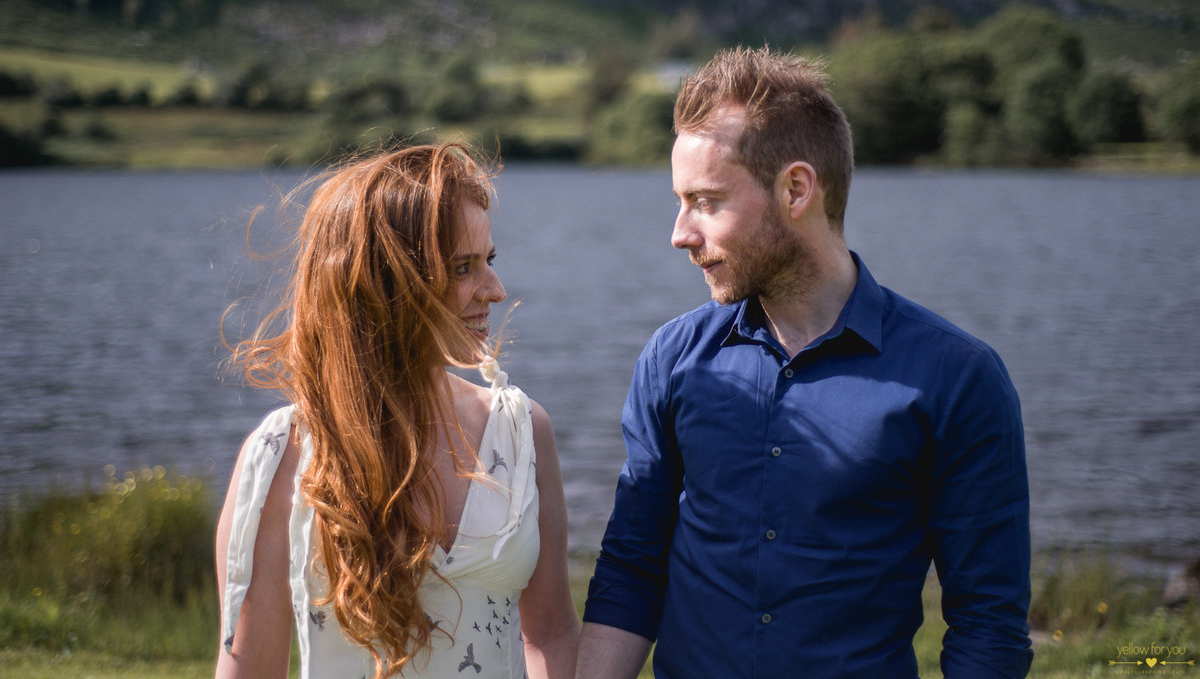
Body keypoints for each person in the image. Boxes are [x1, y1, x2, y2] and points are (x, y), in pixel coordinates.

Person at [577, 47, 1033, 678]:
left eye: (706, 201)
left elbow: (988, 622)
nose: (680, 233)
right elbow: (633, 566)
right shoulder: (673, 358)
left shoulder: (957, 378)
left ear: (796, 189)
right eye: (681, 202)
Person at [214, 144, 579, 679]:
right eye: (463, 268)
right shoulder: (282, 455)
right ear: (386, 284)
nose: (496, 291)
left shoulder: (521, 431)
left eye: (490, 261)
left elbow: (551, 632)